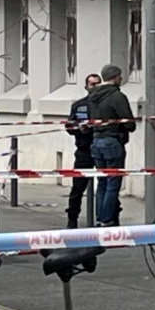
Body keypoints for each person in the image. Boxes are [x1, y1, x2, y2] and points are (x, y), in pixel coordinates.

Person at [87, 64, 136, 227]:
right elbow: (129, 123)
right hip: (112, 141)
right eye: (120, 76)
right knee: (113, 183)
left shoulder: (92, 96)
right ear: (114, 77)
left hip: (96, 141)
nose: (121, 79)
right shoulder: (117, 96)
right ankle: (107, 219)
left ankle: (100, 218)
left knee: (101, 182)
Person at [64, 72, 100, 229]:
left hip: (100, 148)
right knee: (78, 187)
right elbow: (69, 125)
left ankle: (108, 218)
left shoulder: (104, 104)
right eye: (92, 84)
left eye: (98, 84)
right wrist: (79, 129)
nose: (95, 87)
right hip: (84, 149)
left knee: (107, 183)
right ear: (86, 87)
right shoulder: (79, 105)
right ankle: (72, 218)